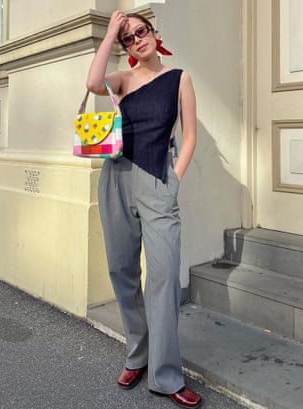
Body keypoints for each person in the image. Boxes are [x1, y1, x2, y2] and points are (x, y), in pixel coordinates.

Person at [86, 10, 201, 409]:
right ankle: (137, 353)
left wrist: (175, 180)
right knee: (122, 270)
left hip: (157, 179)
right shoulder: (123, 79)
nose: (137, 39)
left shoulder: (179, 78)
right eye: (129, 37)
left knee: (165, 277)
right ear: (125, 46)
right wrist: (107, 35)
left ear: (154, 33)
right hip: (116, 177)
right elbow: (91, 83)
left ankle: (166, 375)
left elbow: (190, 136)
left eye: (142, 31)